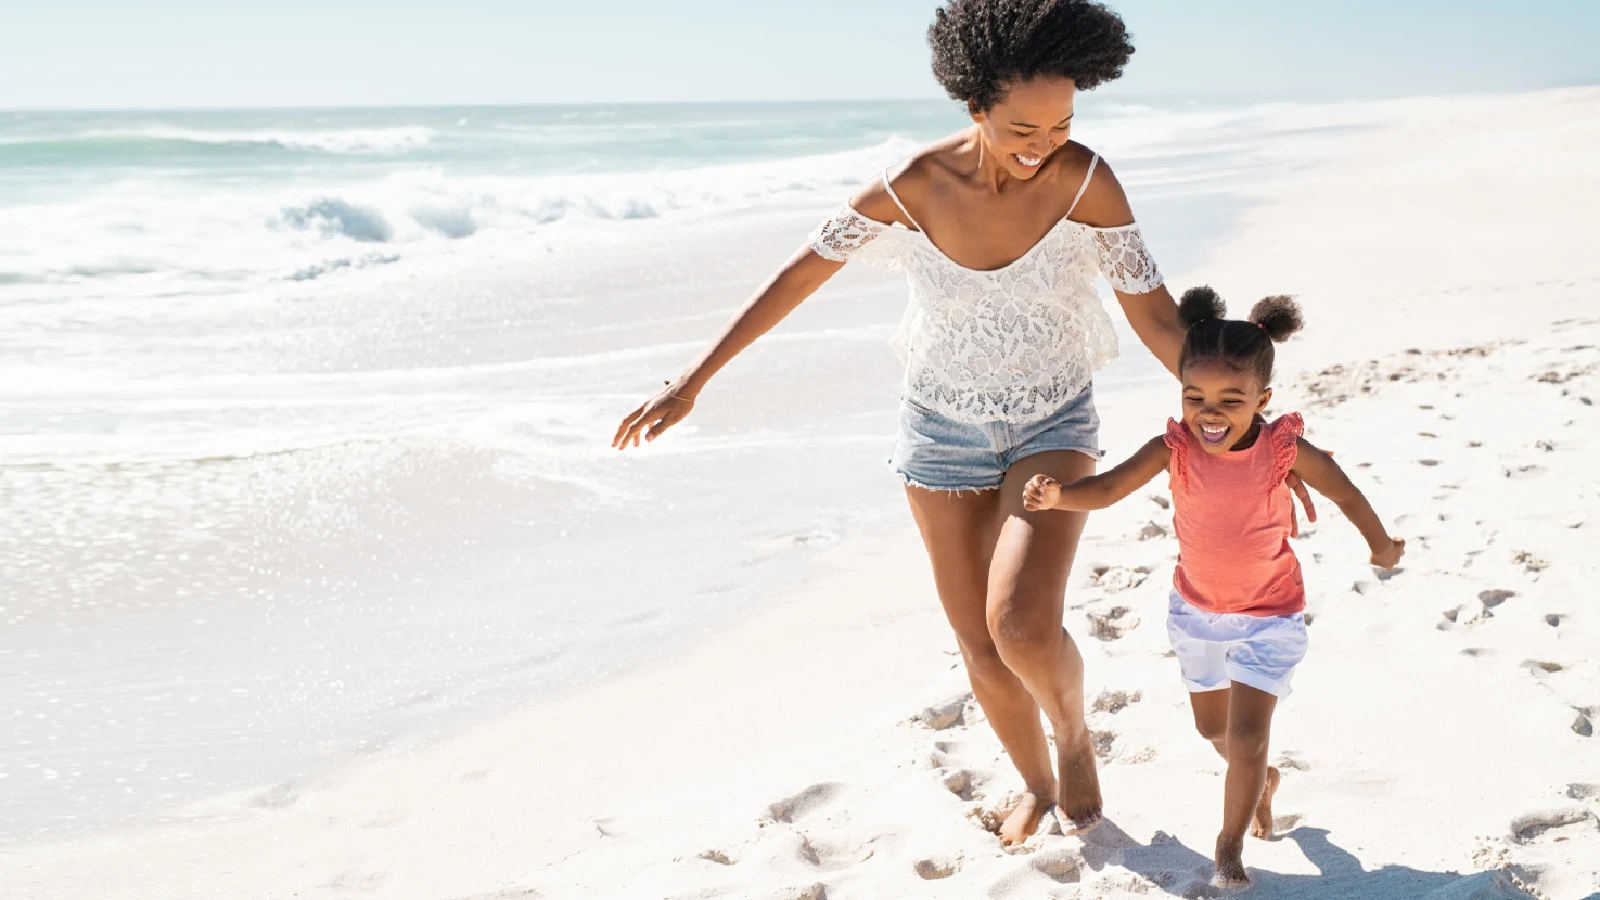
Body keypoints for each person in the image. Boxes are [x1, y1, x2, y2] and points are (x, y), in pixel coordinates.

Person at [613, 0, 1310, 845]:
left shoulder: (1086, 181)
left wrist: (1244, 431)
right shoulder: (913, 185)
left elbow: (1161, 323)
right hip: (937, 433)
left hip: (1052, 421)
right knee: (978, 644)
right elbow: (799, 278)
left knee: (1019, 622)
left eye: (1062, 122)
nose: (1043, 142)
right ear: (973, 104)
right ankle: (1036, 783)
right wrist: (694, 380)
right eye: (1023, 124)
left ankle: (1077, 744)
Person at [1022, 286, 1405, 886]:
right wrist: (1061, 496)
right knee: (1214, 731)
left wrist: (1380, 546)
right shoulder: (1172, 449)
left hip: (1270, 614)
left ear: (1263, 398)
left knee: (1248, 735)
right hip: (1196, 613)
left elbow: (1346, 493)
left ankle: (1229, 843)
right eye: (1194, 396)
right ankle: (1262, 780)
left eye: (1232, 398)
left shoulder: (1284, 449)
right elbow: (1110, 488)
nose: (1211, 411)